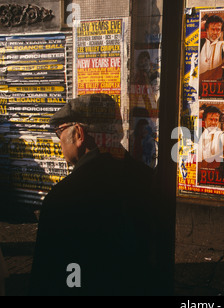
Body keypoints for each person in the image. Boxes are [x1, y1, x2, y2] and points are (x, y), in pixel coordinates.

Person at [29, 94, 167, 296]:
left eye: (60, 131)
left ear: (79, 135)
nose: (59, 141)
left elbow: (49, 277)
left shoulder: (64, 197)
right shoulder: (147, 179)